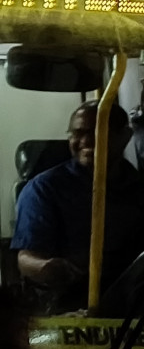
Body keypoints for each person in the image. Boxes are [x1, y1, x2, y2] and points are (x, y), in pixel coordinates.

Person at [13, 102, 144, 312]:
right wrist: (46, 268)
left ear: (125, 136)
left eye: (97, 131)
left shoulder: (137, 186)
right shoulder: (45, 189)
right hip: (68, 304)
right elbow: (26, 258)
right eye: (77, 133)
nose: (85, 141)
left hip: (131, 305)